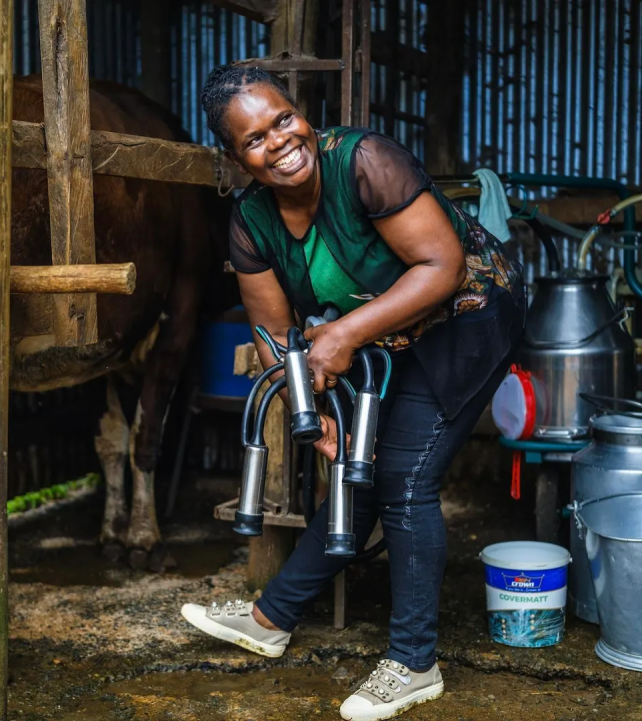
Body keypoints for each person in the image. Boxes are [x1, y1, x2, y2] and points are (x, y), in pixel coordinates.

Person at [180, 65, 525, 721]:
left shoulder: (365, 161)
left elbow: (442, 267)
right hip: (389, 338)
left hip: (470, 316)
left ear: (302, 112)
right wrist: (314, 416)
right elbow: (277, 336)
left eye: (284, 118)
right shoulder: (251, 222)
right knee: (358, 472)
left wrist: (341, 335)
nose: (280, 141)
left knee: (405, 477)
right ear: (235, 158)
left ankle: (415, 661)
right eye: (255, 138)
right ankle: (269, 617)